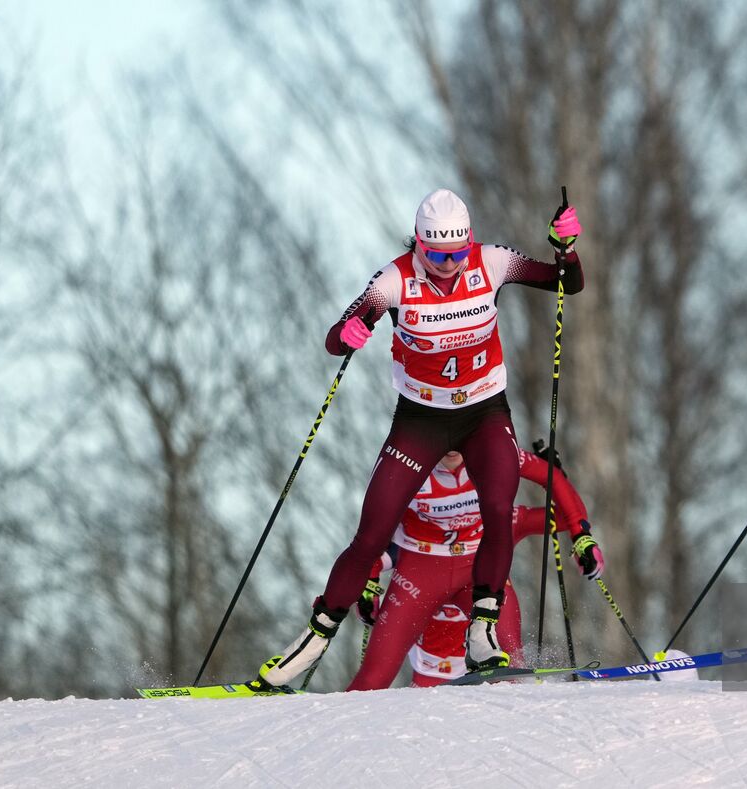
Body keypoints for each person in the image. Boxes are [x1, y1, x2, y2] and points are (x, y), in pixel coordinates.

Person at [256, 188, 585, 689]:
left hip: (484, 413)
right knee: (371, 532)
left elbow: (568, 283)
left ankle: (483, 629)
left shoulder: (494, 262)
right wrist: (347, 332)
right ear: (419, 246)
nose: (449, 265)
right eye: (436, 255)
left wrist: (566, 248)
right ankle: (314, 638)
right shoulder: (394, 280)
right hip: (421, 420)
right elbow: (336, 334)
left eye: (457, 253)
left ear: (469, 242)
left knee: (497, 508)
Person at [349, 445, 602, 690]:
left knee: (510, 662)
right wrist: (367, 585)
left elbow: (558, 511)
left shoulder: (497, 464)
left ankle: (523, 709)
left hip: (477, 579)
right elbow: (376, 543)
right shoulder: (410, 465)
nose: (452, 445)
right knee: (373, 678)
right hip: (427, 637)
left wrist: (578, 529)